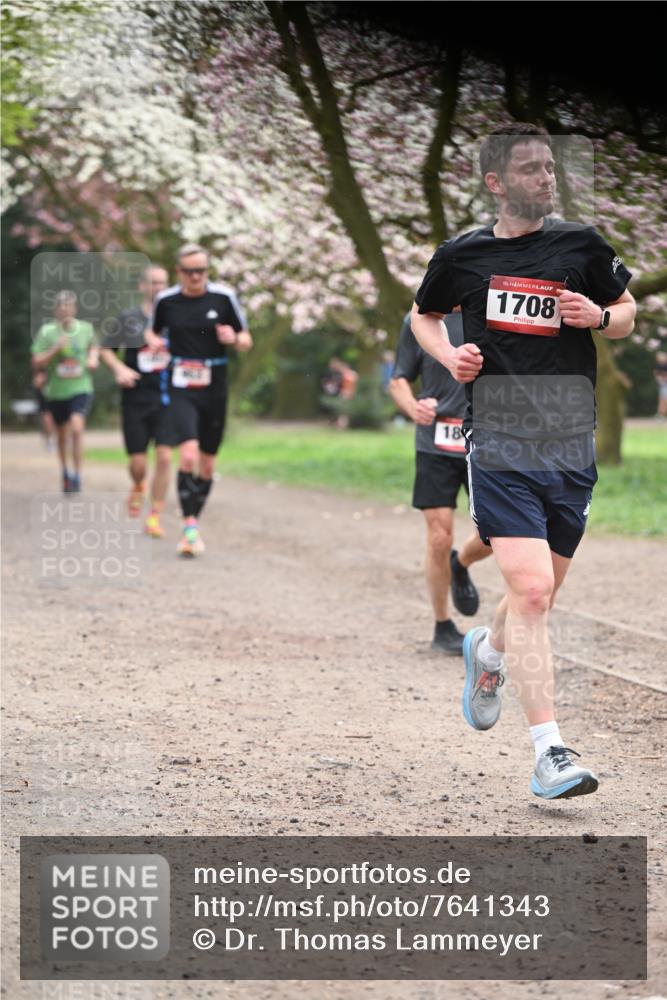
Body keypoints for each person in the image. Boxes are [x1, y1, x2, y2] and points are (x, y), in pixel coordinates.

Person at [412, 124, 636, 800]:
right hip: (500, 438)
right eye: (530, 170)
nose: (545, 178)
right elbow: (423, 315)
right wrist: (448, 355)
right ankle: (550, 755)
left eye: (548, 168)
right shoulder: (463, 255)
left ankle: (488, 652)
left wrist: (595, 316)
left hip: (570, 438)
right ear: (494, 183)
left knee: (537, 595)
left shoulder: (582, 245)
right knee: (532, 591)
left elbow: (625, 311)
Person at [389, 310, 491, 655]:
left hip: (487, 438)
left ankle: (460, 563)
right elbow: (398, 379)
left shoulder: (494, 311)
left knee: (496, 532)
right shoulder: (421, 319)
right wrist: (412, 406)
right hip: (436, 441)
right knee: (438, 535)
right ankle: (442, 625)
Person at [144, 244, 252, 557]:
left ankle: (192, 521)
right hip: (181, 386)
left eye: (201, 271)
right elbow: (152, 333)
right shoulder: (166, 301)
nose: (196, 277)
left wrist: (234, 339)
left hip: (214, 386)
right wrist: (156, 346)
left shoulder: (223, 297)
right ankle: (190, 526)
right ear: (179, 272)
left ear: (207, 271)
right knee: (188, 456)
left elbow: (246, 338)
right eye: (189, 271)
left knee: (207, 463)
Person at [100, 265, 172, 537]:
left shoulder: (176, 318)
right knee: (139, 463)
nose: (158, 288)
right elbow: (106, 349)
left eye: (163, 283)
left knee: (165, 457)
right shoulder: (128, 319)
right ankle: (138, 484)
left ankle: (154, 515)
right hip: (136, 398)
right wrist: (119, 369)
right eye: (153, 283)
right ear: (142, 287)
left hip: (168, 398)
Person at [31, 290, 99, 492]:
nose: (65, 309)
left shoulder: (85, 328)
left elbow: (94, 347)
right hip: (56, 390)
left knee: (77, 428)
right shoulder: (47, 332)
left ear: (74, 308)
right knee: (61, 435)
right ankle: (66, 472)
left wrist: (93, 359)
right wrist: (55, 349)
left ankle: (78, 474)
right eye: (61, 305)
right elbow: (36, 360)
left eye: (68, 305)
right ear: (56, 309)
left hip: (81, 387)